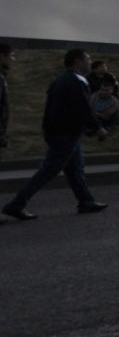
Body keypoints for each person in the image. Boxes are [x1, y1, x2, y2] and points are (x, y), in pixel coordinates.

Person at [3, 48, 110, 220]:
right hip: (65, 133)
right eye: (87, 59)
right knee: (48, 171)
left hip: (58, 131)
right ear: (77, 61)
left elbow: (50, 107)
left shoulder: (59, 80)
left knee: (75, 169)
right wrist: (98, 128)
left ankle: (86, 201)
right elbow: (83, 108)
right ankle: (16, 204)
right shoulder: (76, 81)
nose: (90, 62)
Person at [87, 61, 119, 130]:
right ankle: (103, 126)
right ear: (95, 69)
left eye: (105, 66)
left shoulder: (110, 77)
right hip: (94, 100)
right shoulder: (89, 78)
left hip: (108, 100)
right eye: (102, 67)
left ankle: (104, 125)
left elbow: (115, 89)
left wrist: (113, 99)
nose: (105, 68)